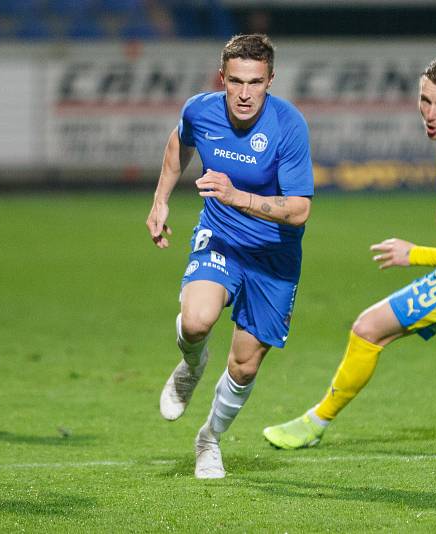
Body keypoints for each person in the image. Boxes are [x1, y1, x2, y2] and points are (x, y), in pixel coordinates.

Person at [262, 57, 436, 450]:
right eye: (425, 100)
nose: (431, 114)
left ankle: (315, 423)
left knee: (368, 329)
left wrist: (414, 253)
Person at [146, 34, 314, 478]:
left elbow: (299, 210)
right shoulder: (200, 110)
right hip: (221, 237)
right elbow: (178, 144)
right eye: (235, 81)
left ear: (270, 80)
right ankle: (192, 363)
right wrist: (161, 200)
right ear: (222, 77)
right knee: (197, 320)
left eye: (254, 82)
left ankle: (209, 439)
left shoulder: (289, 126)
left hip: (274, 256)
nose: (243, 93)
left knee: (244, 363)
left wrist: (237, 196)